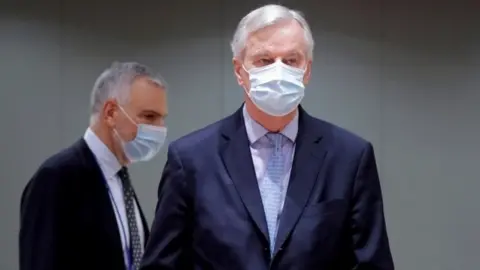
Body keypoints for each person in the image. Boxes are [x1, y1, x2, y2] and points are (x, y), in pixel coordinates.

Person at [141, 4, 394, 270]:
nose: (278, 71)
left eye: (291, 60)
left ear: (306, 70)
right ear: (239, 71)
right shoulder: (191, 160)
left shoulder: (349, 158)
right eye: (264, 60)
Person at [19, 62, 168, 270]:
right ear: (110, 113)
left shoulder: (120, 180)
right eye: (149, 117)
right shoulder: (57, 179)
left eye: (162, 119)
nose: (160, 129)